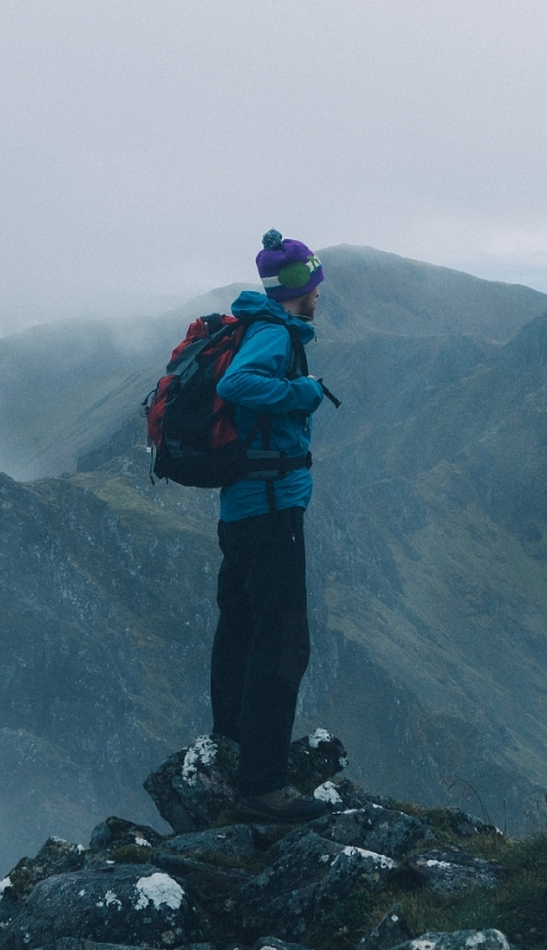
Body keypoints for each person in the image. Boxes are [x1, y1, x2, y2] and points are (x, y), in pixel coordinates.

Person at [210, 230, 331, 823]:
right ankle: (263, 785)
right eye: (313, 284)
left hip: (242, 509)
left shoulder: (259, 326)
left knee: (240, 629)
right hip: (270, 508)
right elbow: (234, 385)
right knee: (283, 643)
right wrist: (300, 393)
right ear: (295, 288)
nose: (319, 294)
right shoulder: (275, 333)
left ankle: (231, 747)